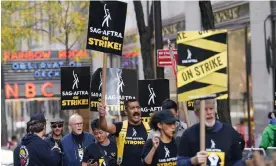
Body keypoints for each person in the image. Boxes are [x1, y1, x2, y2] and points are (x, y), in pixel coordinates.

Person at [177, 99, 243, 166]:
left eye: (211, 108)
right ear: (196, 113)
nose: (209, 112)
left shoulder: (229, 132)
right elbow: (179, 162)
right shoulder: (189, 134)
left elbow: (237, 161)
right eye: (205, 109)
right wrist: (192, 161)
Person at [98, 99, 151, 166]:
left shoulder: (149, 127)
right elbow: (104, 127)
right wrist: (102, 115)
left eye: (138, 107)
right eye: (132, 108)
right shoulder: (120, 126)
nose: (136, 110)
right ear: (126, 111)